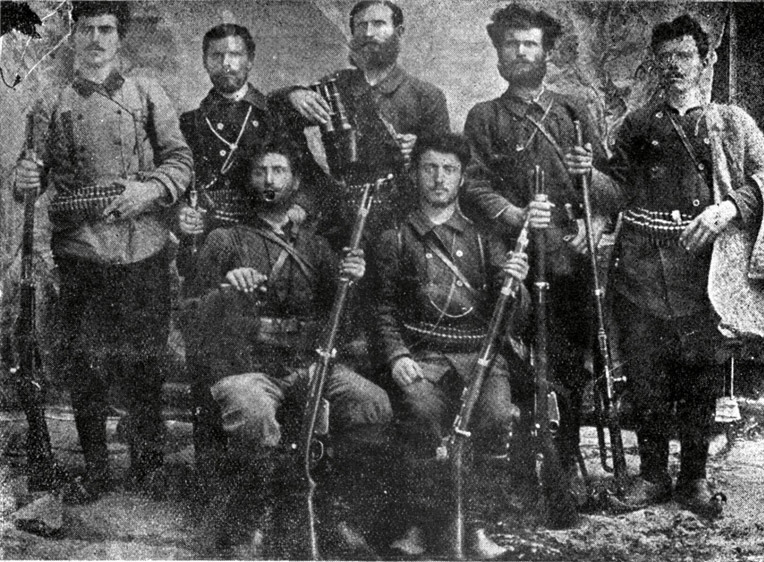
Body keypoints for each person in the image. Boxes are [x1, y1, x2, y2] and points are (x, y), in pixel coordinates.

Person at [600, 14, 764, 517]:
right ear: (655, 64)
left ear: (706, 60)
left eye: (684, 56)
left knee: (700, 376)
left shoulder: (731, 122)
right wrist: (587, 173)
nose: (674, 66)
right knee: (646, 375)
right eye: (665, 58)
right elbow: (615, 188)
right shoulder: (638, 124)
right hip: (642, 266)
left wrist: (727, 208)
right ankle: (651, 476)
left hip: (703, 271)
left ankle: (693, 479)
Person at [12, 1, 192, 502]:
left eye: (106, 29)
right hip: (81, 250)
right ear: (74, 35)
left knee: (145, 363)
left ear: (120, 36)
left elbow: (180, 160)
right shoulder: (51, 101)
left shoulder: (147, 92)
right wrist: (24, 178)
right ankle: (94, 468)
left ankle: (149, 465)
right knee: (84, 364)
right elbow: (31, 176)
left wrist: (148, 191)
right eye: (87, 29)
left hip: (143, 246)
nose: (96, 39)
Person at [185, 139, 393, 556]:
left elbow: (343, 321)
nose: (269, 180)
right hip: (246, 365)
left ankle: (333, 510)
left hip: (308, 363)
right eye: (260, 171)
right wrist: (228, 289)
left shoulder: (316, 247)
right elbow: (191, 315)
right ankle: (253, 518)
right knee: (253, 413)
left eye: (279, 171)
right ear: (248, 180)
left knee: (373, 404)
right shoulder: (224, 240)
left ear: (295, 182)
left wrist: (353, 281)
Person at [462, 3, 615, 489]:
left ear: (547, 53)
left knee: (568, 365)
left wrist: (593, 209)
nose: (521, 52)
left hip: (568, 258)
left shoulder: (573, 111)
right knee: (514, 364)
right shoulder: (485, 117)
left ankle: (562, 465)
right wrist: (516, 215)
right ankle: (518, 468)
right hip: (511, 259)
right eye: (511, 44)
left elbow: (611, 187)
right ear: (498, 54)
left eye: (531, 44)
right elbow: (473, 185)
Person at [375, 133, 531, 559]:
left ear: (462, 178)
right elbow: (382, 308)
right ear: (414, 173)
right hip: (422, 354)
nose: (439, 178)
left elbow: (512, 316)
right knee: (421, 413)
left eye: (449, 169)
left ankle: (475, 525)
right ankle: (422, 525)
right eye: (429, 168)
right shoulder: (396, 237)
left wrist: (515, 284)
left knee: (495, 417)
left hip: (480, 355)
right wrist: (396, 356)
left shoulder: (484, 237)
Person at [281, 0, 450, 239]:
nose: (369, 33)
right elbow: (279, 123)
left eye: (379, 24)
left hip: (403, 219)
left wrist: (420, 149)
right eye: (362, 26)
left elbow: (447, 164)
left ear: (399, 32)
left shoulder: (426, 96)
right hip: (341, 215)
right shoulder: (335, 87)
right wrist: (292, 95)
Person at [177, 23, 331, 280]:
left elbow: (311, 178)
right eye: (217, 56)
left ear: (249, 61)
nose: (226, 64)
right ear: (205, 62)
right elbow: (179, 185)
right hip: (209, 241)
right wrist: (182, 214)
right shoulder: (190, 122)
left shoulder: (276, 114)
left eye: (235, 55)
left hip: (267, 238)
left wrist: (299, 208)